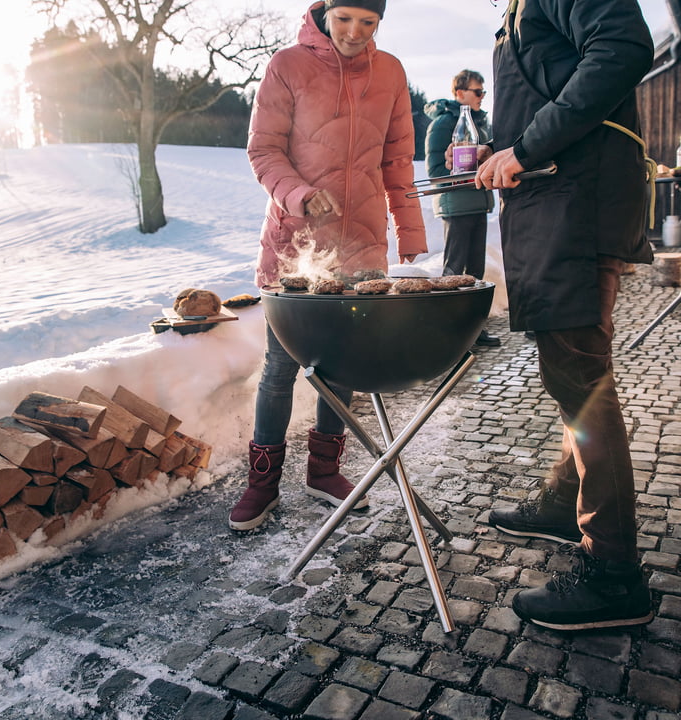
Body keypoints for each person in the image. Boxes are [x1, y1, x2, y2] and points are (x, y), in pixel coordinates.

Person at [475, 0, 656, 630]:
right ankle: (563, 500)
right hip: (560, 204)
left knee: (580, 378)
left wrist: (525, 147)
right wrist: (500, 151)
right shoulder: (517, 11)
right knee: (574, 375)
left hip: (575, 205)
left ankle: (613, 574)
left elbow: (623, 49)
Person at [229, 0, 427, 531]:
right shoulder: (287, 65)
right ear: (324, 12)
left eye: (369, 23)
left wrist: (410, 229)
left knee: (341, 365)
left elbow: (397, 161)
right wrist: (300, 194)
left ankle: (324, 471)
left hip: (361, 244)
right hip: (295, 244)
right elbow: (263, 150)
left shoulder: (390, 72)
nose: (355, 33)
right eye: (345, 19)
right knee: (280, 367)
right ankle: (262, 483)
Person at [424, 69, 499, 348]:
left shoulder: (482, 123)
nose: (482, 97)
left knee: (476, 270)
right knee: (454, 270)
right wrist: (456, 167)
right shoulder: (444, 123)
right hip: (456, 205)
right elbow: (434, 170)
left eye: (483, 92)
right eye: (477, 92)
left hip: (478, 202)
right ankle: (448, 331)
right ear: (460, 93)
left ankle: (472, 330)